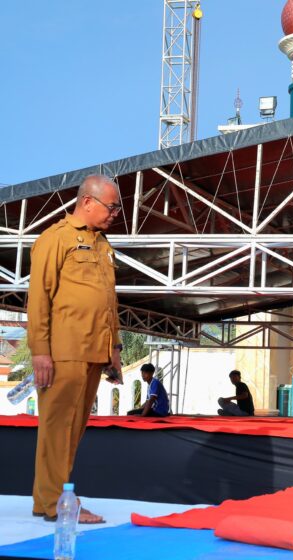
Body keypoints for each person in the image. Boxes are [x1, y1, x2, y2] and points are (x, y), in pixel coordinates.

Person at [27, 174, 124, 524]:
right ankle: (57, 503)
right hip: (63, 350)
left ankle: (47, 500)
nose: (115, 213)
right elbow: (39, 297)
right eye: (111, 206)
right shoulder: (56, 239)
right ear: (87, 201)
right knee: (58, 429)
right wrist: (40, 351)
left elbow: (108, 303)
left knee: (72, 431)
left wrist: (114, 349)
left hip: (94, 350)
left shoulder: (101, 243)